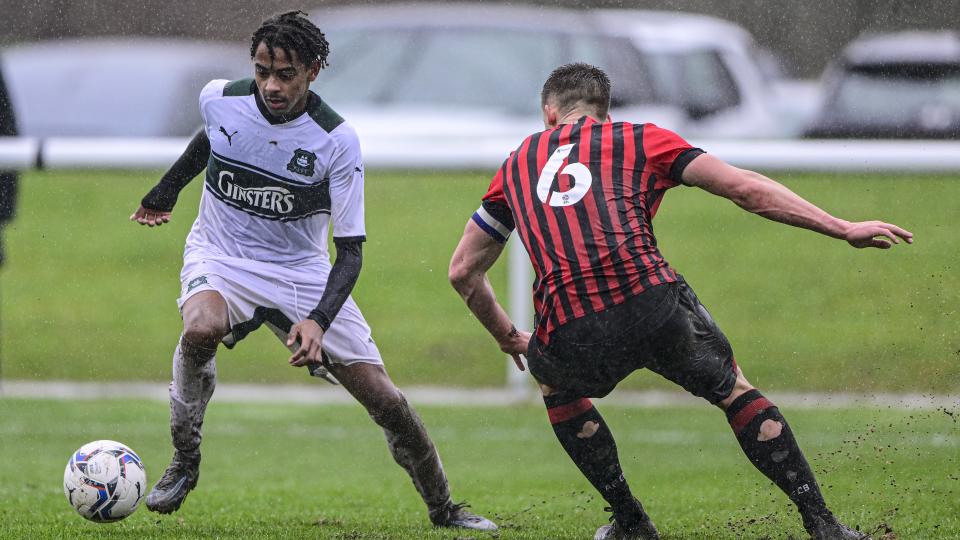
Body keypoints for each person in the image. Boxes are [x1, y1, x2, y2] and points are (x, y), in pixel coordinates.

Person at [449, 63, 912, 540]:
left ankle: (631, 522)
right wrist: (842, 227)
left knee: (556, 384)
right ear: (605, 113)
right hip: (652, 303)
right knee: (733, 391)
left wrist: (509, 337)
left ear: (549, 113)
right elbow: (745, 189)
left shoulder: (515, 165)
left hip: (575, 323)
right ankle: (824, 525)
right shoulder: (641, 139)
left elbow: (463, 270)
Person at [130, 11, 495, 532]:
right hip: (220, 254)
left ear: (313, 71)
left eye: (286, 75)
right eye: (262, 72)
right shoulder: (219, 96)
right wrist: (164, 192)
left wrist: (319, 321)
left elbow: (350, 253)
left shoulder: (336, 140)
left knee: (384, 398)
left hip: (301, 270)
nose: (271, 87)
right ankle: (185, 458)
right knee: (201, 328)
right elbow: (213, 138)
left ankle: (444, 509)